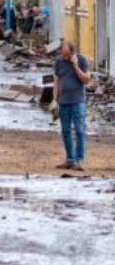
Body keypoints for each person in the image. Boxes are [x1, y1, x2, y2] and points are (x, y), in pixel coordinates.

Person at [52, 41, 91, 171]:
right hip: (63, 102)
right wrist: (54, 100)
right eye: (63, 55)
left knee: (79, 130)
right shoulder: (58, 62)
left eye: (67, 55)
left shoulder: (82, 60)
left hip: (78, 102)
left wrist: (75, 66)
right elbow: (56, 82)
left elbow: (86, 80)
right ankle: (70, 159)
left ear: (72, 52)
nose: (65, 57)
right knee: (66, 131)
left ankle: (79, 160)